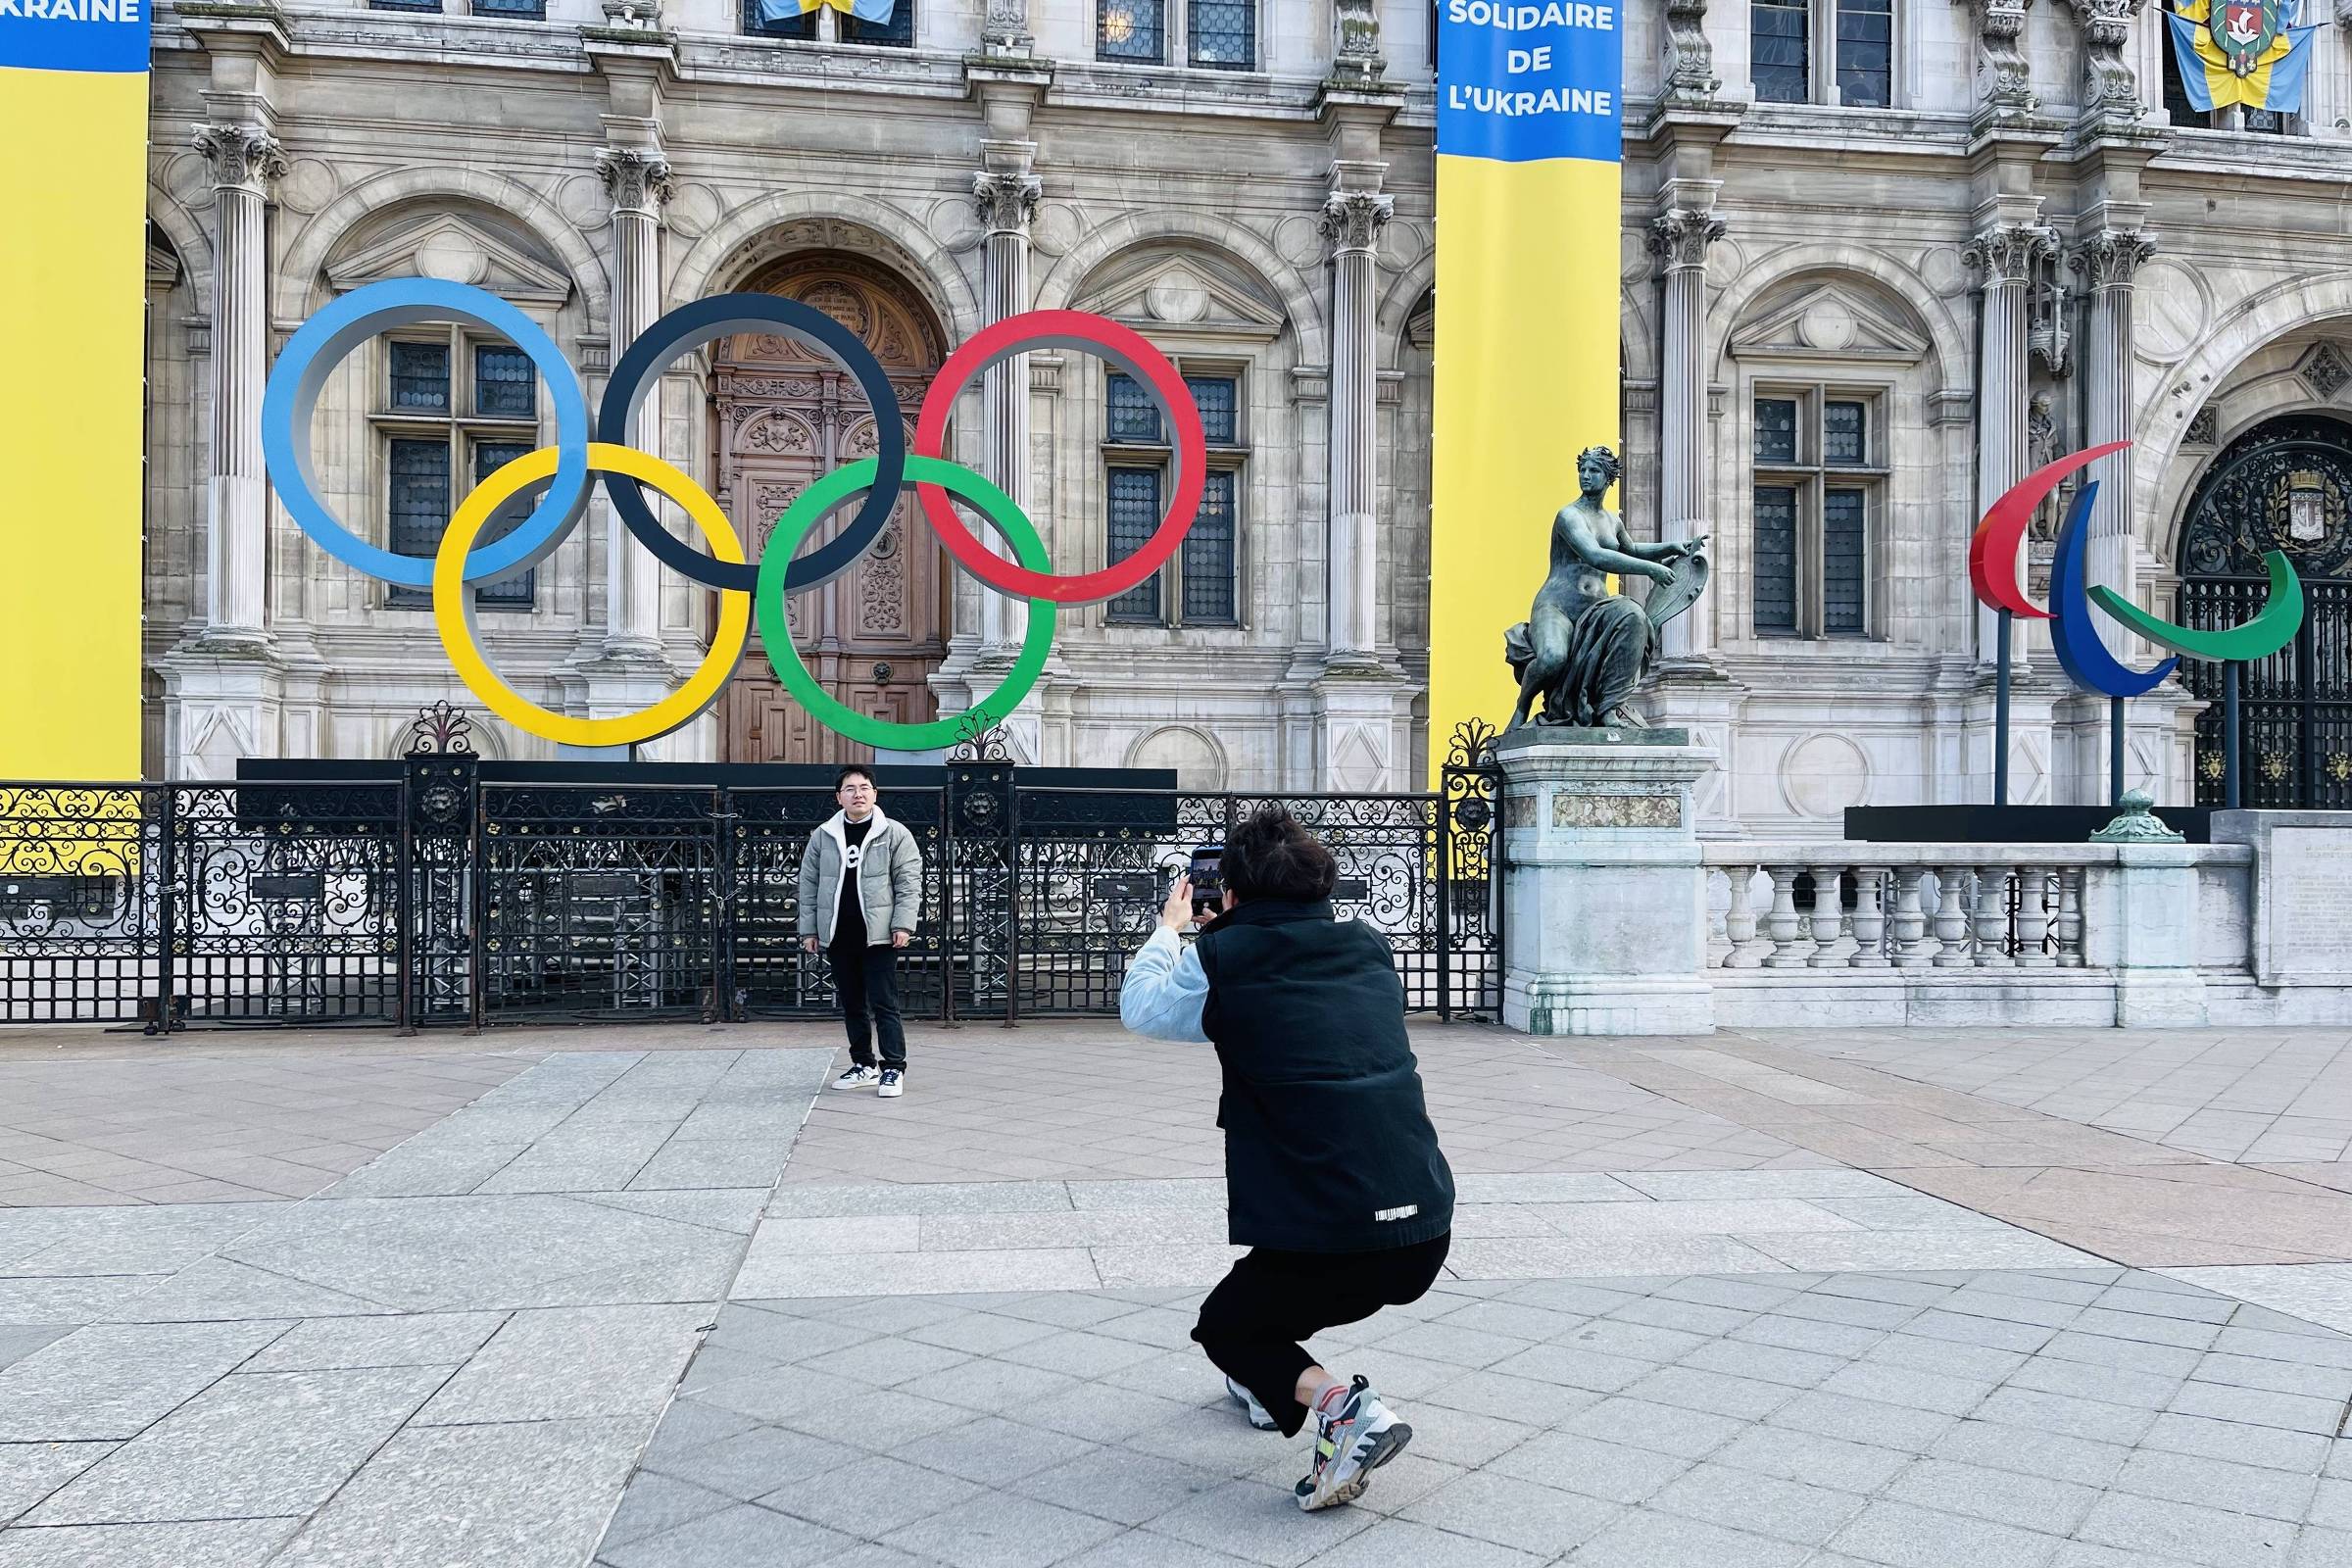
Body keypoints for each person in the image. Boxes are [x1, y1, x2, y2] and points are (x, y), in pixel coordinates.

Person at [1118, 806, 1456, 1512]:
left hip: (1330, 1234)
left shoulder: (1219, 959)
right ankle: (1274, 1395)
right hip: (1424, 1226)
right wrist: (1233, 941)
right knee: (1272, 1300)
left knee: (1228, 1327)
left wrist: (1171, 931)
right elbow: (1303, 998)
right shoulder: (1368, 948)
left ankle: (1342, 1408)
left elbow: (1144, 1009)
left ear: (1230, 895)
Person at [799, 764, 924, 1098]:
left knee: (884, 1003)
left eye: (865, 787)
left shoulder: (894, 833)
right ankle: (864, 1064)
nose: (858, 793)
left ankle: (893, 1068)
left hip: (879, 935)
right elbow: (809, 885)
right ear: (839, 797)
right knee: (852, 1004)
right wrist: (809, 929)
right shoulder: (823, 835)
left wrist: (903, 924)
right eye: (851, 788)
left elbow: (909, 884)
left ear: (875, 793)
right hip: (839, 934)